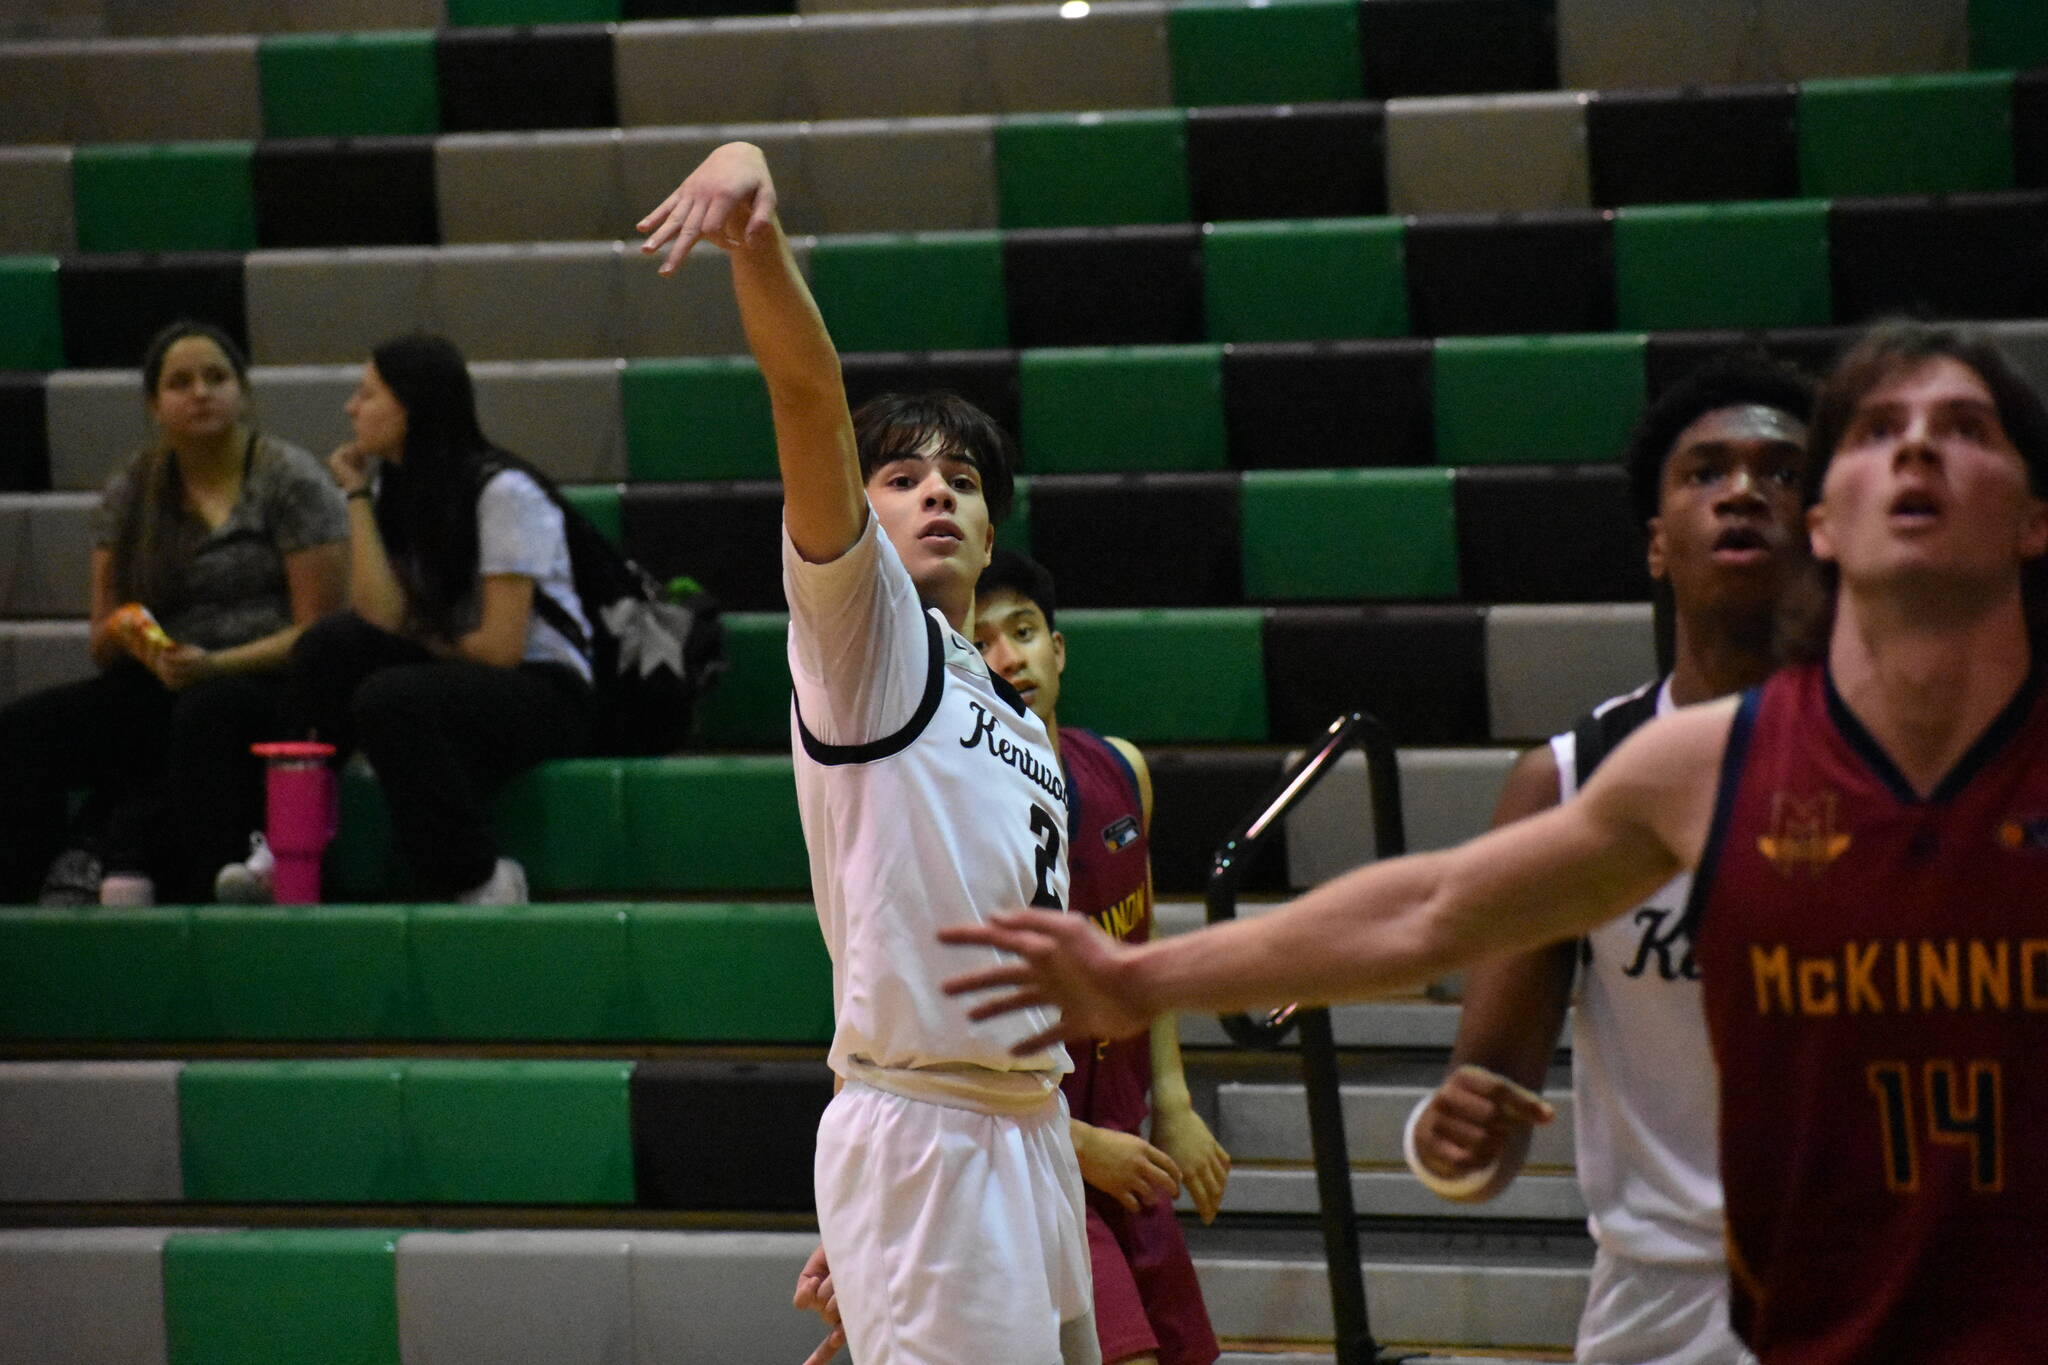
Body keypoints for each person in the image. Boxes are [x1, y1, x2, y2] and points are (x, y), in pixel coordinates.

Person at [943, 322, 2048, 1365]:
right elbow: (1428, 909)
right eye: (1879, 434)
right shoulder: (1688, 768)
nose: (1912, 456)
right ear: (1832, 523)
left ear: (2032, 514)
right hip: (1708, 1299)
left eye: (1959, 431)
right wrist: (1144, 974)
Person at [637, 143, 1097, 1365]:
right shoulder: (867, 640)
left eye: (959, 480)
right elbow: (807, 402)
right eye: (900, 479)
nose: (934, 494)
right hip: (934, 1139)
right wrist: (757, 228)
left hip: (1023, 1133)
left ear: (995, 522)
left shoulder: (1012, 710)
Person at [1407, 355, 1813, 1365]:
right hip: (1662, 1306)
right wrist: (1445, 1143)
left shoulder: (1918, 762)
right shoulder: (1568, 779)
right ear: (1652, 546)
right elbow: (1484, 1105)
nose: (1741, 493)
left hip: (1871, 1278)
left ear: (1830, 525)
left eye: (1779, 471)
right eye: (1704, 472)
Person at [975, 548, 1228, 1365]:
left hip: (1129, 1148)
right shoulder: (964, 815)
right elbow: (962, 1036)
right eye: (981, 643)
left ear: (1059, 648)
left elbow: (1140, 953)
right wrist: (1079, 1145)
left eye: (1022, 632)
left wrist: (1175, 1099)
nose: (1008, 658)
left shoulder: (1123, 769)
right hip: (1040, 1163)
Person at [0, 319, 346, 905]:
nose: (201, 392)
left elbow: (320, 634)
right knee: (23, 733)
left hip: (263, 684)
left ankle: (200, 898)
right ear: (155, 405)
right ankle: (26, 903)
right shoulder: (132, 489)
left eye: (216, 377)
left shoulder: (289, 479)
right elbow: (101, 639)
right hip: (165, 678)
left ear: (244, 392)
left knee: (205, 716)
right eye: (180, 382)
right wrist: (139, 637)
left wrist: (217, 664)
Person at [241, 334, 595, 904]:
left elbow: (501, 648)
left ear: (412, 404)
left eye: (367, 394)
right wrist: (356, 496)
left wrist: (421, 639)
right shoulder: (396, 489)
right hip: (465, 663)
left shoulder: (503, 491)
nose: (351, 409)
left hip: (547, 691)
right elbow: (377, 618)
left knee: (389, 697)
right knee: (330, 646)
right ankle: (288, 844)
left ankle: (481, 878)